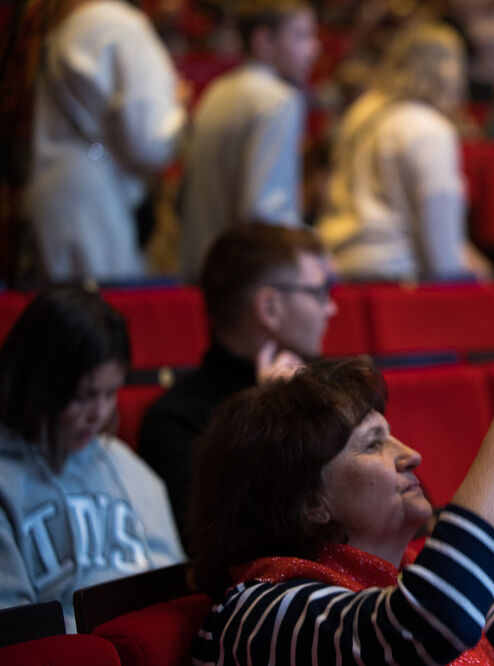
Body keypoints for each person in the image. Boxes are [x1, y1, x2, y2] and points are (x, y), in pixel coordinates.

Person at [189, 265, 494, 665]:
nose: (411, 455)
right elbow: (427, 625)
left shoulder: (415, 575)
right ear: (310, 502)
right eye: (372, 444)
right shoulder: (259, 612)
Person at [139, 224, 334, 547]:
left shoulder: (327, 384)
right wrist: (278, 416)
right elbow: (219, 550)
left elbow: (401, 501)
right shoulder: (174, 420)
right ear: (269, 308)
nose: (331, 307)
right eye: (318, 293)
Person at [0, 288, 184, 631]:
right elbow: (14, 629)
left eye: (110, 393)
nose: (99, 413)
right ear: (36, 383)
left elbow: (173, 586)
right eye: (84, 396)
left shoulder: (126, 466)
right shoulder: (6, 479)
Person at [318, 22, 493, 282]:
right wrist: (454, 286)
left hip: (339, 264)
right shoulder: (429, 127)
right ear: (446, 70)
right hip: (396, 272)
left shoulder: (360, 112)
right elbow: (438, 227)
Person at [27, 0, 186, 283]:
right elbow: (148, 141)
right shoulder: (121, 25)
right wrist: (178, 110)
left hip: (61, 180)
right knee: (103, 308)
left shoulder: (74, 22)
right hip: (97, 191)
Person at [179, 0, 320, 278]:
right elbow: (266, 213)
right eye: (301, 35)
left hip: (203, 270)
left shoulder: (217, 91)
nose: (314, 49)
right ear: (263, 40)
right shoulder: (277, 99)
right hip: (251, 280)